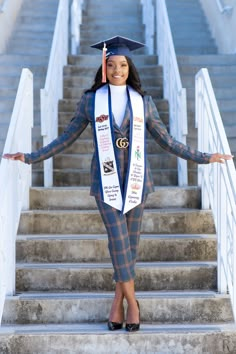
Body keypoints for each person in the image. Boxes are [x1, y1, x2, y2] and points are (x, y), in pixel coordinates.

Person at [3, 36, 233, 332]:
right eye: (111, 65)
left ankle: (117, 304)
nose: (117, 70)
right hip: (105, 183)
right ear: (104, 67)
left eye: (123, 65)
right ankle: (134, 304)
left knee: (129, 247)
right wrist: (31, 156)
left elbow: (167, 141)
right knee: (118, 242)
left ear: (129, 67)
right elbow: (65, 139)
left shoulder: (144, 103)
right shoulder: (91, 101)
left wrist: (205, 157)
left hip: (137, 182)